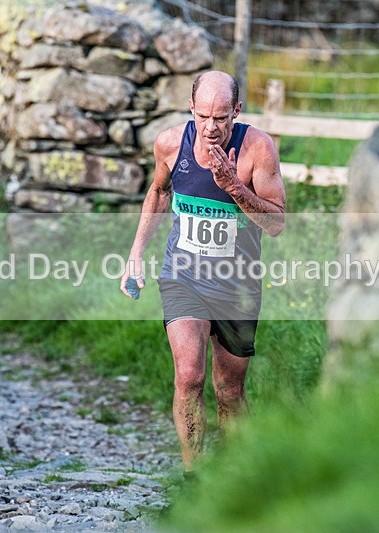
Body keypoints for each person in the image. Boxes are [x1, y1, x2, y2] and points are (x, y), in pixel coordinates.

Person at [121, 70, 285, 475]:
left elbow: (278, 222)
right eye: (204, 117)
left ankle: (234, 478)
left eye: (222, 118)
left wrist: (234, 187)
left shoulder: (258, 149)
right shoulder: (170, 144)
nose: (211, 128)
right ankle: (193, 476)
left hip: (237, 285)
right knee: (190, 374)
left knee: (229, 390)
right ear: (191, 108)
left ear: (237, 111)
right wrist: (136, 251)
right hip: (184, 276)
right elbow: (158, 192)